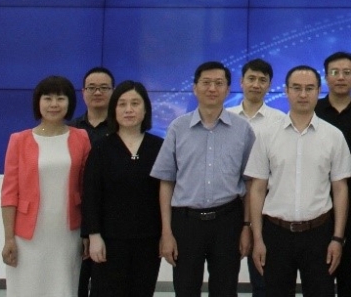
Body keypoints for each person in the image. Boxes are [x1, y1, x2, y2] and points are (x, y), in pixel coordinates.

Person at [245, 65, 351, 297]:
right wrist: (258, 238)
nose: (303, 94)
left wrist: (337, 238)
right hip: (276, 233)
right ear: (286, 91)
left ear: (318, 91)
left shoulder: (333, 136)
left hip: (319, 233)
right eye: (296, 88)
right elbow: (257, 189)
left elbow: (340, 189)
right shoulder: (267, 135)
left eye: (309, 88)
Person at [150, 61, 255, 297]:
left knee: (225, 290)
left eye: (219, 83)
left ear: (228, 89)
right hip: (186, 223)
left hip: (228, 221)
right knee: (185, 289)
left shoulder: (243, 129)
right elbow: (166, 181)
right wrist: (166, 232)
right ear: (195, 88)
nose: (212, 88)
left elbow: (250, 183)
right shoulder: (178, 128)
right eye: (206, 83)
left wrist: (246, 227)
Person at [1, 75, 92, 297]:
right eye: (47, 98)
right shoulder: (19, 140)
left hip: (68, 232)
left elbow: (88, 189)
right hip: (27, 235)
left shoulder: (81, 138)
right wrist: (9, 238)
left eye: (60, 98)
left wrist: (87, 232)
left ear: (69, 103)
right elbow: (9, 193)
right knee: (27, 288)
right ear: (38, 102)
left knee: (64, 288)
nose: (54, 104)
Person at [83, 81, 164, 297]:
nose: (129, 110)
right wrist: (94, 235)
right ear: (114, 110)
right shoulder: (101, 148)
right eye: (122, 104)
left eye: (135, 103)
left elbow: (166, 194)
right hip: (109, 241)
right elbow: (91, 194)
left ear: (145, 109)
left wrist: (166, 234)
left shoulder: (159, 147)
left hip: (149, 240)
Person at [227, 58, 289, 297]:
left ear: (269, 85)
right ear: (241, 82)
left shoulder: (280, 120)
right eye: (251, 78)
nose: (256, 84)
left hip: (265, 205)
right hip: (229, 204)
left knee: (263, 277)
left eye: (262, 80)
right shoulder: (226, 117)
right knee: (224, 277)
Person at [315, 52, 351, 297]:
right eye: (335, 72)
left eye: (346, 73)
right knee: (319, 278)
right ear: (326, 77)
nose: (340, 77)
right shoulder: (312, 111)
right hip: (317, 204)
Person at [72, 67, 114, 297]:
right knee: (73, 283)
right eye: (92, 88)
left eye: (104, 88)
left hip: (111, 220)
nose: (97, 92)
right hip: (74, 217)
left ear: (113, 91)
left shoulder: (121, 129)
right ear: (83, 92)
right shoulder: (70, 129)